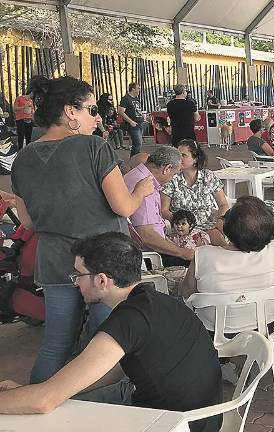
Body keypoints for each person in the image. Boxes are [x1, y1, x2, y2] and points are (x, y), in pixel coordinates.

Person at [0, 233, 223, 432]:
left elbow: (44, 401)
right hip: (205, 416)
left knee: (40, 418)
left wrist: (44, 394)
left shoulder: (127, 320)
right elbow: (109, 372)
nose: (76, 282)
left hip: (174, 423)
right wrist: (42, 392)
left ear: (102, 280)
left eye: (78, 274)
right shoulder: (157, 300)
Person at [11, 75, 155, 384]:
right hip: (105, 265)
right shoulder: (94, 147)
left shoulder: (23, 159)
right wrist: (142, 190)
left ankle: (38, 406)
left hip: (55, 263)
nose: (99, 116)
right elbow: (124, 207)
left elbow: (29, 222)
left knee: (55, 347)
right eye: (92, 109)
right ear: (70, 111)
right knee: (106, 343)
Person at [180, 196, 274, 335]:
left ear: (227, 229)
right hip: (269, 322)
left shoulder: (203, 255)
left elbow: (186, 292)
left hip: (213, 328)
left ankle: (217, 354)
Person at [124, 146, 192, 267]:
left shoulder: (138, 174)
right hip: (150, 254)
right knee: (200, 263)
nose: (172, 178)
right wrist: (182, 253)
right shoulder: (144, 185)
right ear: (167, 169)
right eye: (174, 174)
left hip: (152, 245)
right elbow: (147, 236)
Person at [160, 140, 228, 247]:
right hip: (183, 228)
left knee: (217, 237)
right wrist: (181, 223)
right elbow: (164, 210)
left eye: (184, 155)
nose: (179, 159)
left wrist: (220, 221)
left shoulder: (208, 176)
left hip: (209, 225)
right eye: (178, 155)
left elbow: (223, 204)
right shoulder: (172, 178)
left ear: (195, 158)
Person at [118, 82, 145, 156]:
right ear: (133, 89)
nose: (139, 90)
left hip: (139, 122)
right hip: (133, 124)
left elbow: (137, 110)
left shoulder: (136, 98)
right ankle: (133, 160)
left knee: (138, 143)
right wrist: (130, 121)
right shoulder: (126, 98)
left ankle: (135, 159)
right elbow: (120, 111)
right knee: (137, 143)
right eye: (138, 88)